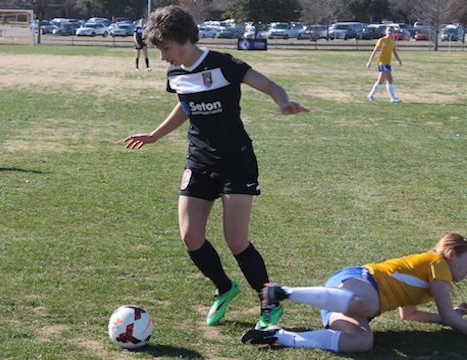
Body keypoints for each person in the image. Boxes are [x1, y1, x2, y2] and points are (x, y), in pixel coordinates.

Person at [124, 6, 309, 329]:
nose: (163, 57)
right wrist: (155, 135)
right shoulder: (176, 73)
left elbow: (270, 86)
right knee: (190, 236)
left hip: (236, 162)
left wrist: (283, 102)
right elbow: (185, 104)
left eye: (166, 48)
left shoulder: (224, 64)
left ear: (184, 39)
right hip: (199, 160)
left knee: (236, 241)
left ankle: (269, 303)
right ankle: (224, 287)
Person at [242, 233, 467, 352]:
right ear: (451, 254)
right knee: (369, 305)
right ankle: (285, 292)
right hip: (357, 281)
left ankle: (275, 335)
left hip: (350, 300)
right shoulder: (438, 264)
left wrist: (453, 316)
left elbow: (409, 315)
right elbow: (448, 316)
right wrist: (452, 317)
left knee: (361, 342)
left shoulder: (430, 276)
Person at [366, 26, 402, 103]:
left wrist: (399, 60)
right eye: (388, 30)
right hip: (382, 62)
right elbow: (374, 51)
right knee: (390, 79)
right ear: (385, 31)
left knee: (380, 81)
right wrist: (369, 62)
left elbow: (394, 52)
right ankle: (393, 98)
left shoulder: (392, 41)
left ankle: (370, 95)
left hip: (388, 62)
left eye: (391, 31)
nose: (390, 32)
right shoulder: (382, 40)